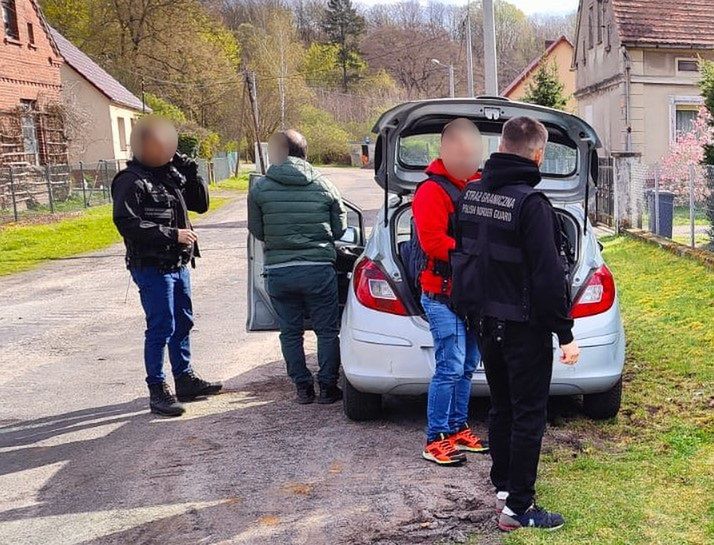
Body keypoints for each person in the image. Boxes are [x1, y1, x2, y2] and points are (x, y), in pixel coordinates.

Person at [451, 116, 580, 531]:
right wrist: (565, 332)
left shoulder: (470, 194)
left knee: (502, 407)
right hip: (523, 327)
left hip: (484, 322)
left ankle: (504, 487)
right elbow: (547, 276)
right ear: (538, 154)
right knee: (529, 414)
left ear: (502, 146)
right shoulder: (532, 204)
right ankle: (519, 509)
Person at [112, 116, 223, 417]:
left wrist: (191, 170)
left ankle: (184, 379)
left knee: (183, 322)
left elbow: (200, 204)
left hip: (178, 264)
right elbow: (127, 223)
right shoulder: (130, 180)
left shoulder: (168, 175)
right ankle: (157, 389)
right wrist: (172, 235)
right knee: (161, 326)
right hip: (151, 265)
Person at [247, 129, 347, 405]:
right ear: (305, 154)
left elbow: (257, 229)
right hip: (318, 269)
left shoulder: (260, 188)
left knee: (290, 332)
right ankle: (328, 387)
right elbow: (341, 228)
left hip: (279, 271)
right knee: (327, 330)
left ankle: (302, 388)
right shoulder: (324, 185)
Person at [412, 118, 489, 466]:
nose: (466, 153)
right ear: (445, 150)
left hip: (470, 293)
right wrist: (475, 252)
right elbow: (432, 242)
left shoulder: (478, 184)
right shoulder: (431, 191)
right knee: (450, 366)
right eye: (460, 147)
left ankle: (458, 428)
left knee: (468, 365)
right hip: (441, 294)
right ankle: (436, 438)